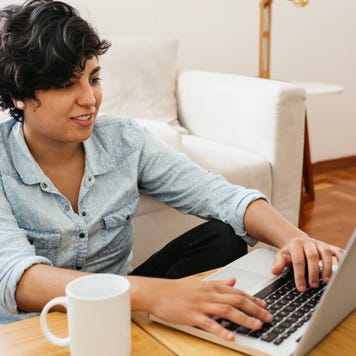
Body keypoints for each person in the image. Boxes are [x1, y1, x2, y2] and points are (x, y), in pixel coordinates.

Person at [0, 0, 343, 340]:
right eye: (66, 85)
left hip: (125, 308)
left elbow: (218, 194)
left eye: (94, 78)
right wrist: (158, 295)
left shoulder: (124, 140)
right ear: (19, 94)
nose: (89, 99)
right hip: (37, 326)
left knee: (223, 237)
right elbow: (19, 279)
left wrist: (298, 240)